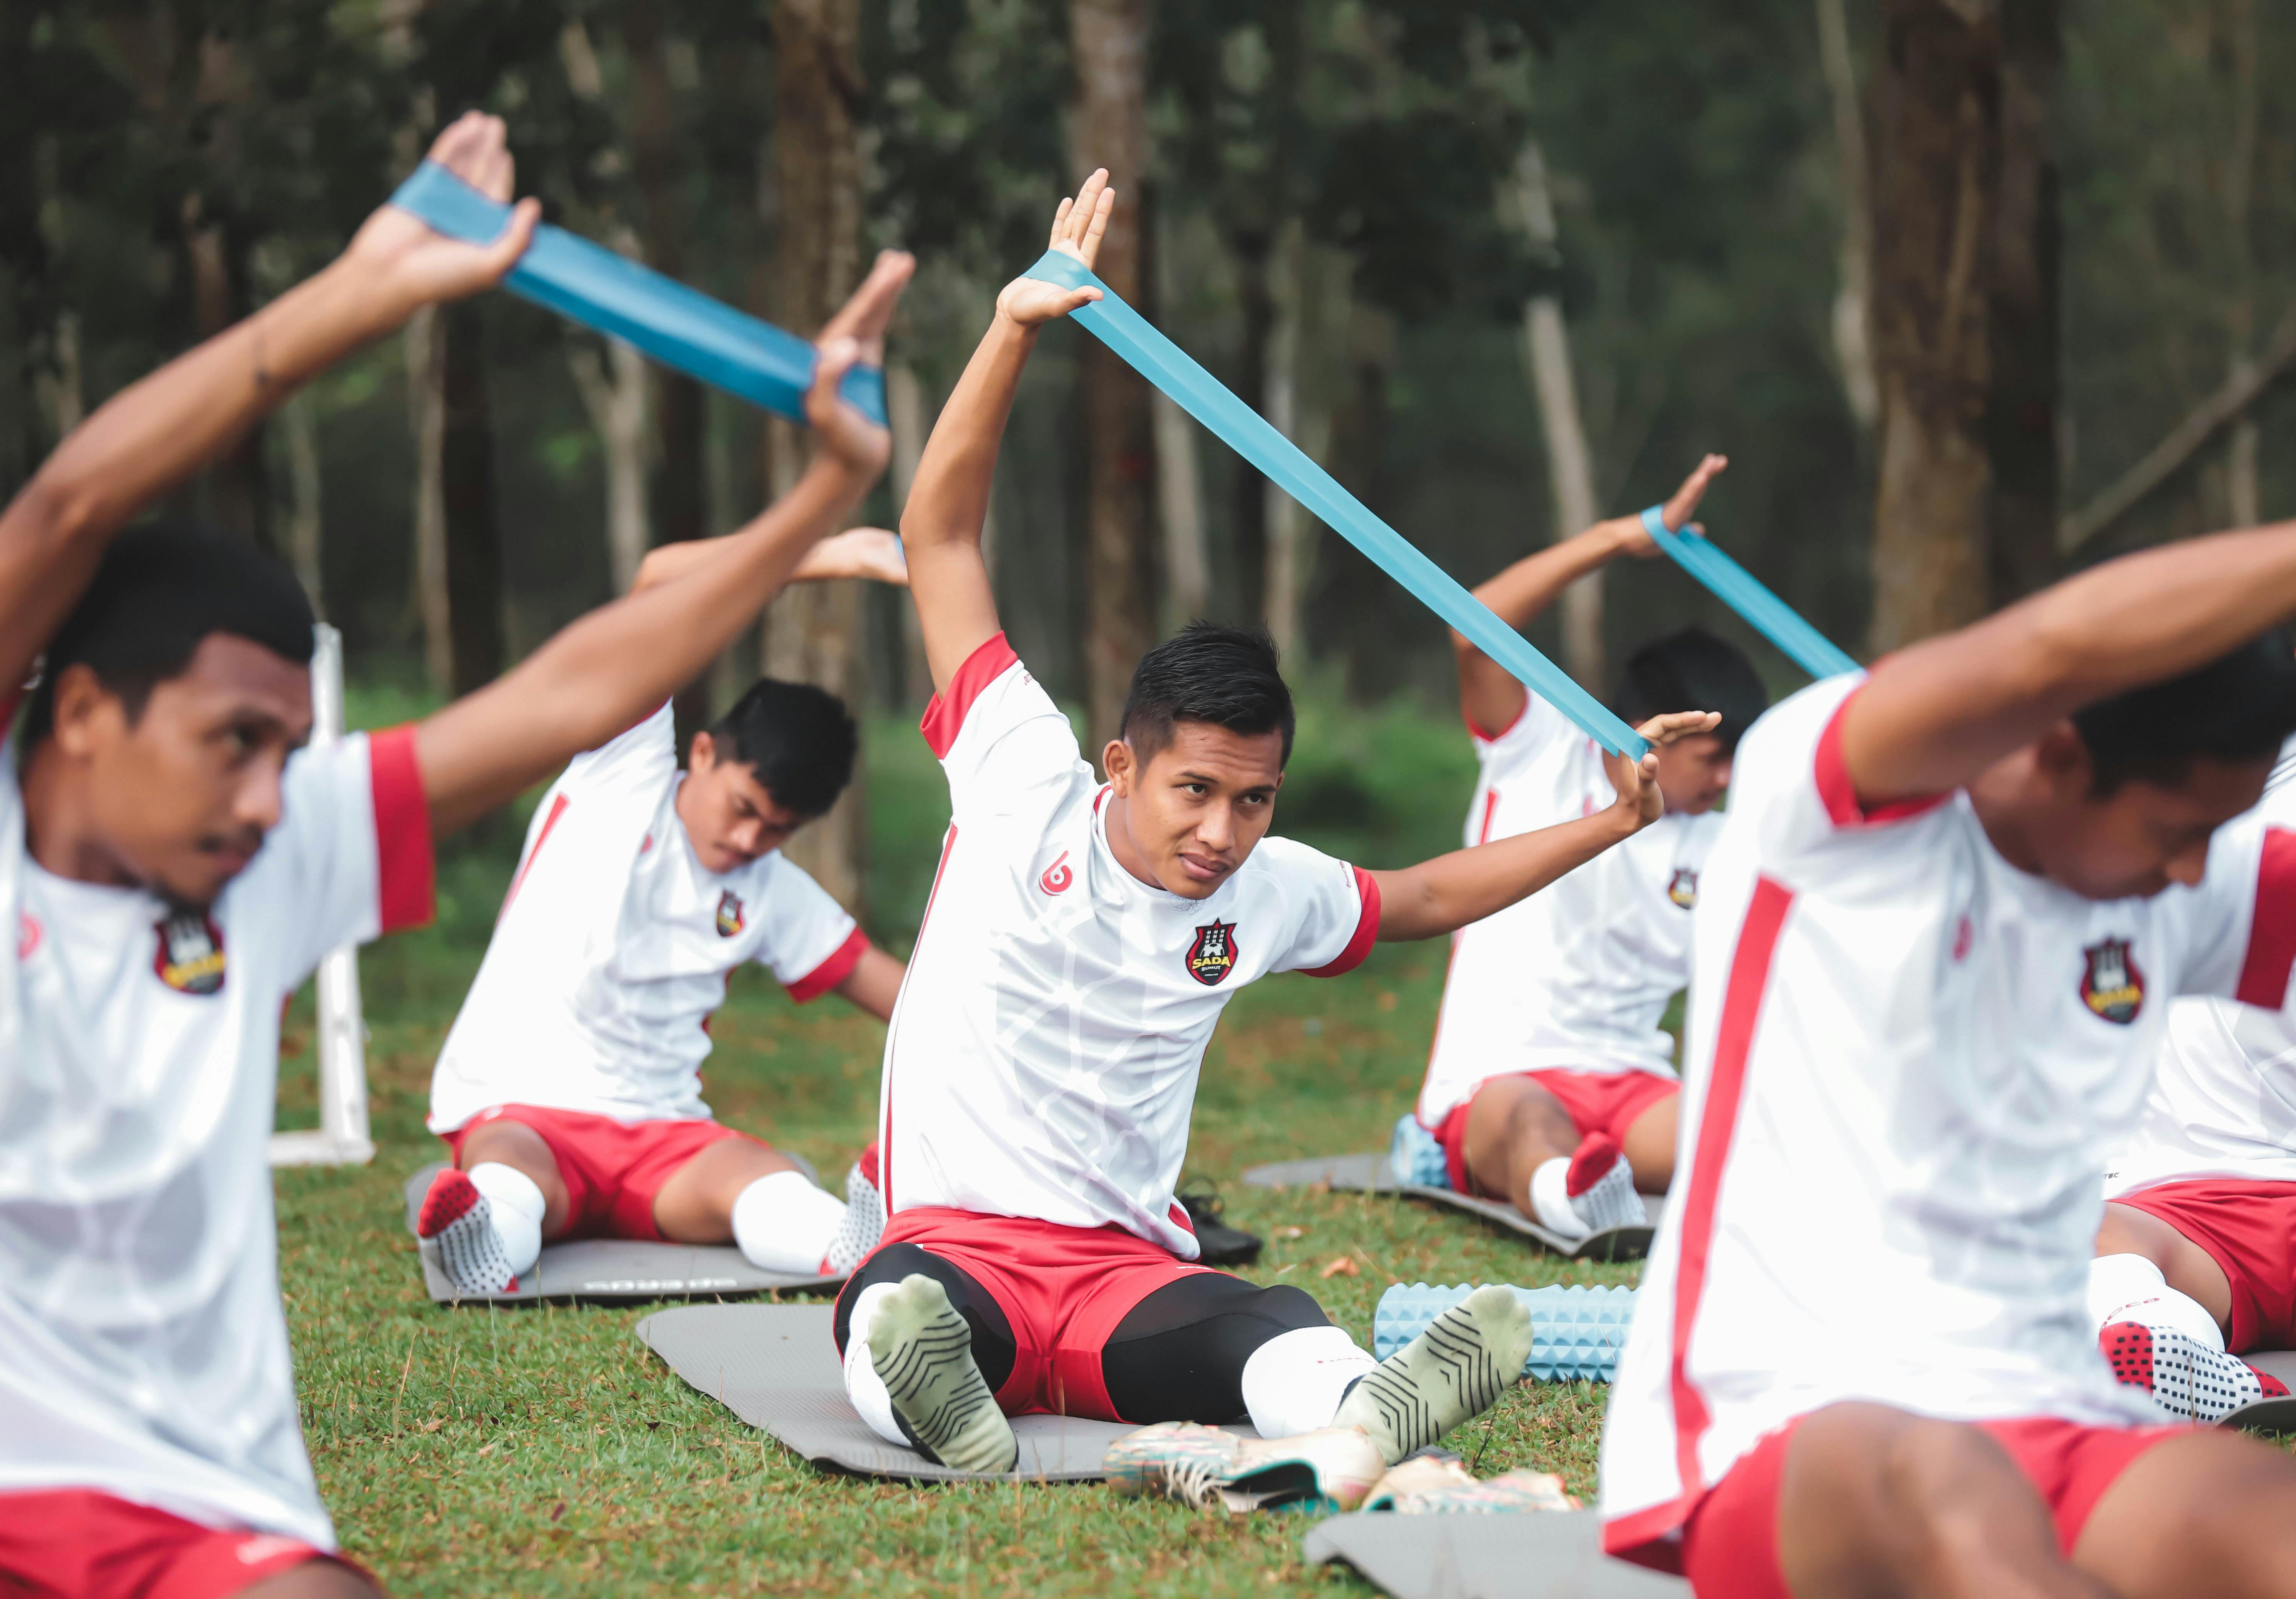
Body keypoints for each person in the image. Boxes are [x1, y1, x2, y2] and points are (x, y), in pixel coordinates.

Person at [0, 112, 910, 1597]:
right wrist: (366, 289)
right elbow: (68, 507)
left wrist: (824, 490)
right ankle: (486, 1223)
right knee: (518, 1178)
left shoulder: (275, 856)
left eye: (290, 754)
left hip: (197, 1513)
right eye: (232, 743)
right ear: (86, 714)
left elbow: (558, 689)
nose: (268, 797)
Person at [835, 170, 1720, 1475]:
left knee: (1270, 1323)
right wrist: (1013, 329)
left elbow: (1425, 897)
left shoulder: (1262, 890)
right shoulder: (1020, 775)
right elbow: (942, 535)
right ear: (1123, 765)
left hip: (1122, 1275)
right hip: (954, 1246)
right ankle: (935, 1397)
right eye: (1195, 791)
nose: (1223, 832)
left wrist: (1613, 823)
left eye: (1254, 801)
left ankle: (1363, 1402)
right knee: (894, 1315)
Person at [1599, 486, 2296, 1598]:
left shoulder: (2152, 885)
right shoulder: (1832, 816)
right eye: (2179, 831)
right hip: (1792, 1430)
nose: (2197, 870)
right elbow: (2054, 645)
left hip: (2052, 1412)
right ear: (2059, 754)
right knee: (1956, 1494)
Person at [416, 528, 913, 1296]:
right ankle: (484, 1244)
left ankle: (843, 1243)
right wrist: (830, 555)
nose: (747, 840)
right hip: (526, 1110)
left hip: (662, 1137)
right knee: (513, 1177)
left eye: (777, 830)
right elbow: (657, 580)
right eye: (743, 808)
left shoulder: (772, 887)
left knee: (757, 1172)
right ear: (704, 753)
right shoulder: (623, 772)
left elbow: (908, 999)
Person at [1406, 455, 1767, 1242]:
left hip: (1636, 1090)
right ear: (1652, 731)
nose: (1728, 778)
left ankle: (1599, 1182)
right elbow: (1473, 628)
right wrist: (1623, 538)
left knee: (1747, 1134)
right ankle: (1573, 1200)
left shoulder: (1724, 840)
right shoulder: (1540, 751)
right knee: (1530, 1123)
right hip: (1506, 1077)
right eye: (1713, 756)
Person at [2091, 578, 2296, 1418]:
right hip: (2175, 1209)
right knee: (2080, 1243)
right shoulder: (2285, 778)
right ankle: (2169, 1349)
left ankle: (2167, 1346)